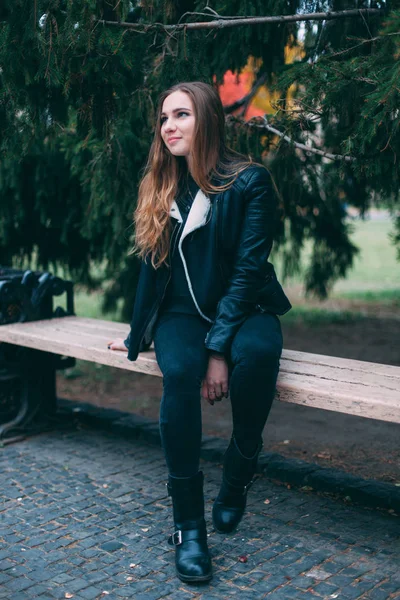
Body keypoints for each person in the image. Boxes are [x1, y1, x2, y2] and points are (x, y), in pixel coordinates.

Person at [108, 81, 291, 584]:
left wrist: (220, 351)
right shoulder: (161, 183)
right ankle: (188, 526)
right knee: (180, 372)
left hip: (245, 305)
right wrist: (135, 335)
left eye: (181, 115)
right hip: (182, 316)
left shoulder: (250, 181)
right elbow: (150, 269)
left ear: (206, 119)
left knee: (256, 355)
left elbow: (248, 271)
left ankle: (238, 473)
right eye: (164, 118)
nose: (169, 126)